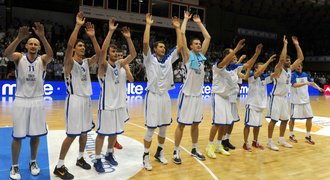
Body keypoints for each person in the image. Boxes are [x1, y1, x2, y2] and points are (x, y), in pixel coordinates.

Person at [54, 12, 100, 179]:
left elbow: (100, 55)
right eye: (80, 46)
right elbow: (68, 46)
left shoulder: (86, 62)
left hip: (86, 100)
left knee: (84, 132)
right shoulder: (69, 62)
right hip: (74, 100)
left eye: (83, 46)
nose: (83, 47)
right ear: (74, 49)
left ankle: (80, 158)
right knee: (72, 134)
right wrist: (78, 26)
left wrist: (93, 38)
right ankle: (59, 166)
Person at [4, 22, 53, 180]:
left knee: (36, 135)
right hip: (21, 100)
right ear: (26, 46)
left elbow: (51, 55)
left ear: (39, 48)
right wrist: (18, 38)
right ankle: (15, 165)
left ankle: (33, 162)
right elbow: (7, 54)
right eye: (31, 43)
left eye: (36, 44)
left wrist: (43, 37)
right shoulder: (19, 57)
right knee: (17, 136)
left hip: (37, 101)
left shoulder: (43, 60)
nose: (33, 45)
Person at [93, 19, 136, 172]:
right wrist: (110, 31)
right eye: (112, 52)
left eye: (116, 52)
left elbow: (133, 54)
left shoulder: (120, 65)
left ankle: (109, 153)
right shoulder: (103, 67)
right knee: (102, 134)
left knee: (115, 132)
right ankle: (97, 159)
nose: (115, 54)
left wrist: (129, 38)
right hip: (106, 106)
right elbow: (102, 52)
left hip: (118, 106)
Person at [142, 13, 182, 171]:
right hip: (152, 96)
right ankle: (145, 156)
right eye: (160, 47)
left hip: (165, 96)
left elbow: (179, 47)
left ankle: (159, 152)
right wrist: (148, 25)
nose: (163, 49)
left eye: (164, 47)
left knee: (164, 127)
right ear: (155, 49)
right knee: (151, 129)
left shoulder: (168, 59)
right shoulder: (149, 59)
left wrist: (178, 28)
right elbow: (145, 43)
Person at [173, 11, 210, 164]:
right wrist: (186, 20)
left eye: (199, 44)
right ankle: (176, 151)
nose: (199, 45)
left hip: (197, 96)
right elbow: (182, 34)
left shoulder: (202, 56)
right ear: (190, 46)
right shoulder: (188, 56)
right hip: (187, 95)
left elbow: (208, 37)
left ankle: (194, 148)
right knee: (181, 124)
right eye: (196, 43)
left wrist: (200, 22)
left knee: (196, 124)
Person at [205, 39, 246, 159]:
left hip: (227, 97)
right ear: (225, 56)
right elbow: (225, 62)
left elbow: (246, 65)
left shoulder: (232, 68)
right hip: (218, 96)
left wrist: (256, 54)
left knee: (224, 124)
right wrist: (237, 49)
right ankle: (210, 146)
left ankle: (218, 146)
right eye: (231, 54)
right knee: (217, 123)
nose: (233, 56)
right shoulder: (217, 65)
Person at [221, 44, 262, 151]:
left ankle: (226, 139)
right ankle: (221, 141)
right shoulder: (222, 66)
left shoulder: (235, 69)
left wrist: (256, 54)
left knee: (232, 121)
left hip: (233, 99)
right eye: (233, 56)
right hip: (225, 98)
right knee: (225, 122)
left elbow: (246, 72)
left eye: (235, 57)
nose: (235, 58)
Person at [266, 36, 304, 151]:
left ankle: (281, 139)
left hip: (284, 98)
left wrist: (297, 44)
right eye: (287, 61)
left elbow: (301, 58)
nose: (289, 62)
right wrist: (285, 44)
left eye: (290, 61)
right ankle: (269, 141)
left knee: (285, 120)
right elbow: (281, 59)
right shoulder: (279, 68)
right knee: (273, 120)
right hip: (275, 97)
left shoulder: (289, 69)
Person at [242, 55, 276, 152]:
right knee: (248, 124)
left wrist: (279, 64)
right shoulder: (252, 75)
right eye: (260, 67)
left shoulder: (264, 78)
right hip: (252, 104)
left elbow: (275, 74)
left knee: (257, 126)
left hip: (261, 105)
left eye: (263, 67)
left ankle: (255, 141)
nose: (262, 69)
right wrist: (269, 60)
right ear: (256, 68)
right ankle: (245, 143)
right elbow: (259, 72)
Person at [289, 63, 324, 144]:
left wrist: (319, 88)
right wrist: (305, 83)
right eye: (297, 66)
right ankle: (291, 135)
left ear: (302, 66)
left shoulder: (305, 74)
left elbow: (311, 83)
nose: (298, 67)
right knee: (292, 119)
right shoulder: (292, 75)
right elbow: (294, 85)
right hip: (296, 101)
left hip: (306, 101)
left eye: (299, 66)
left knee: (309, 118)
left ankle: (308, 136)